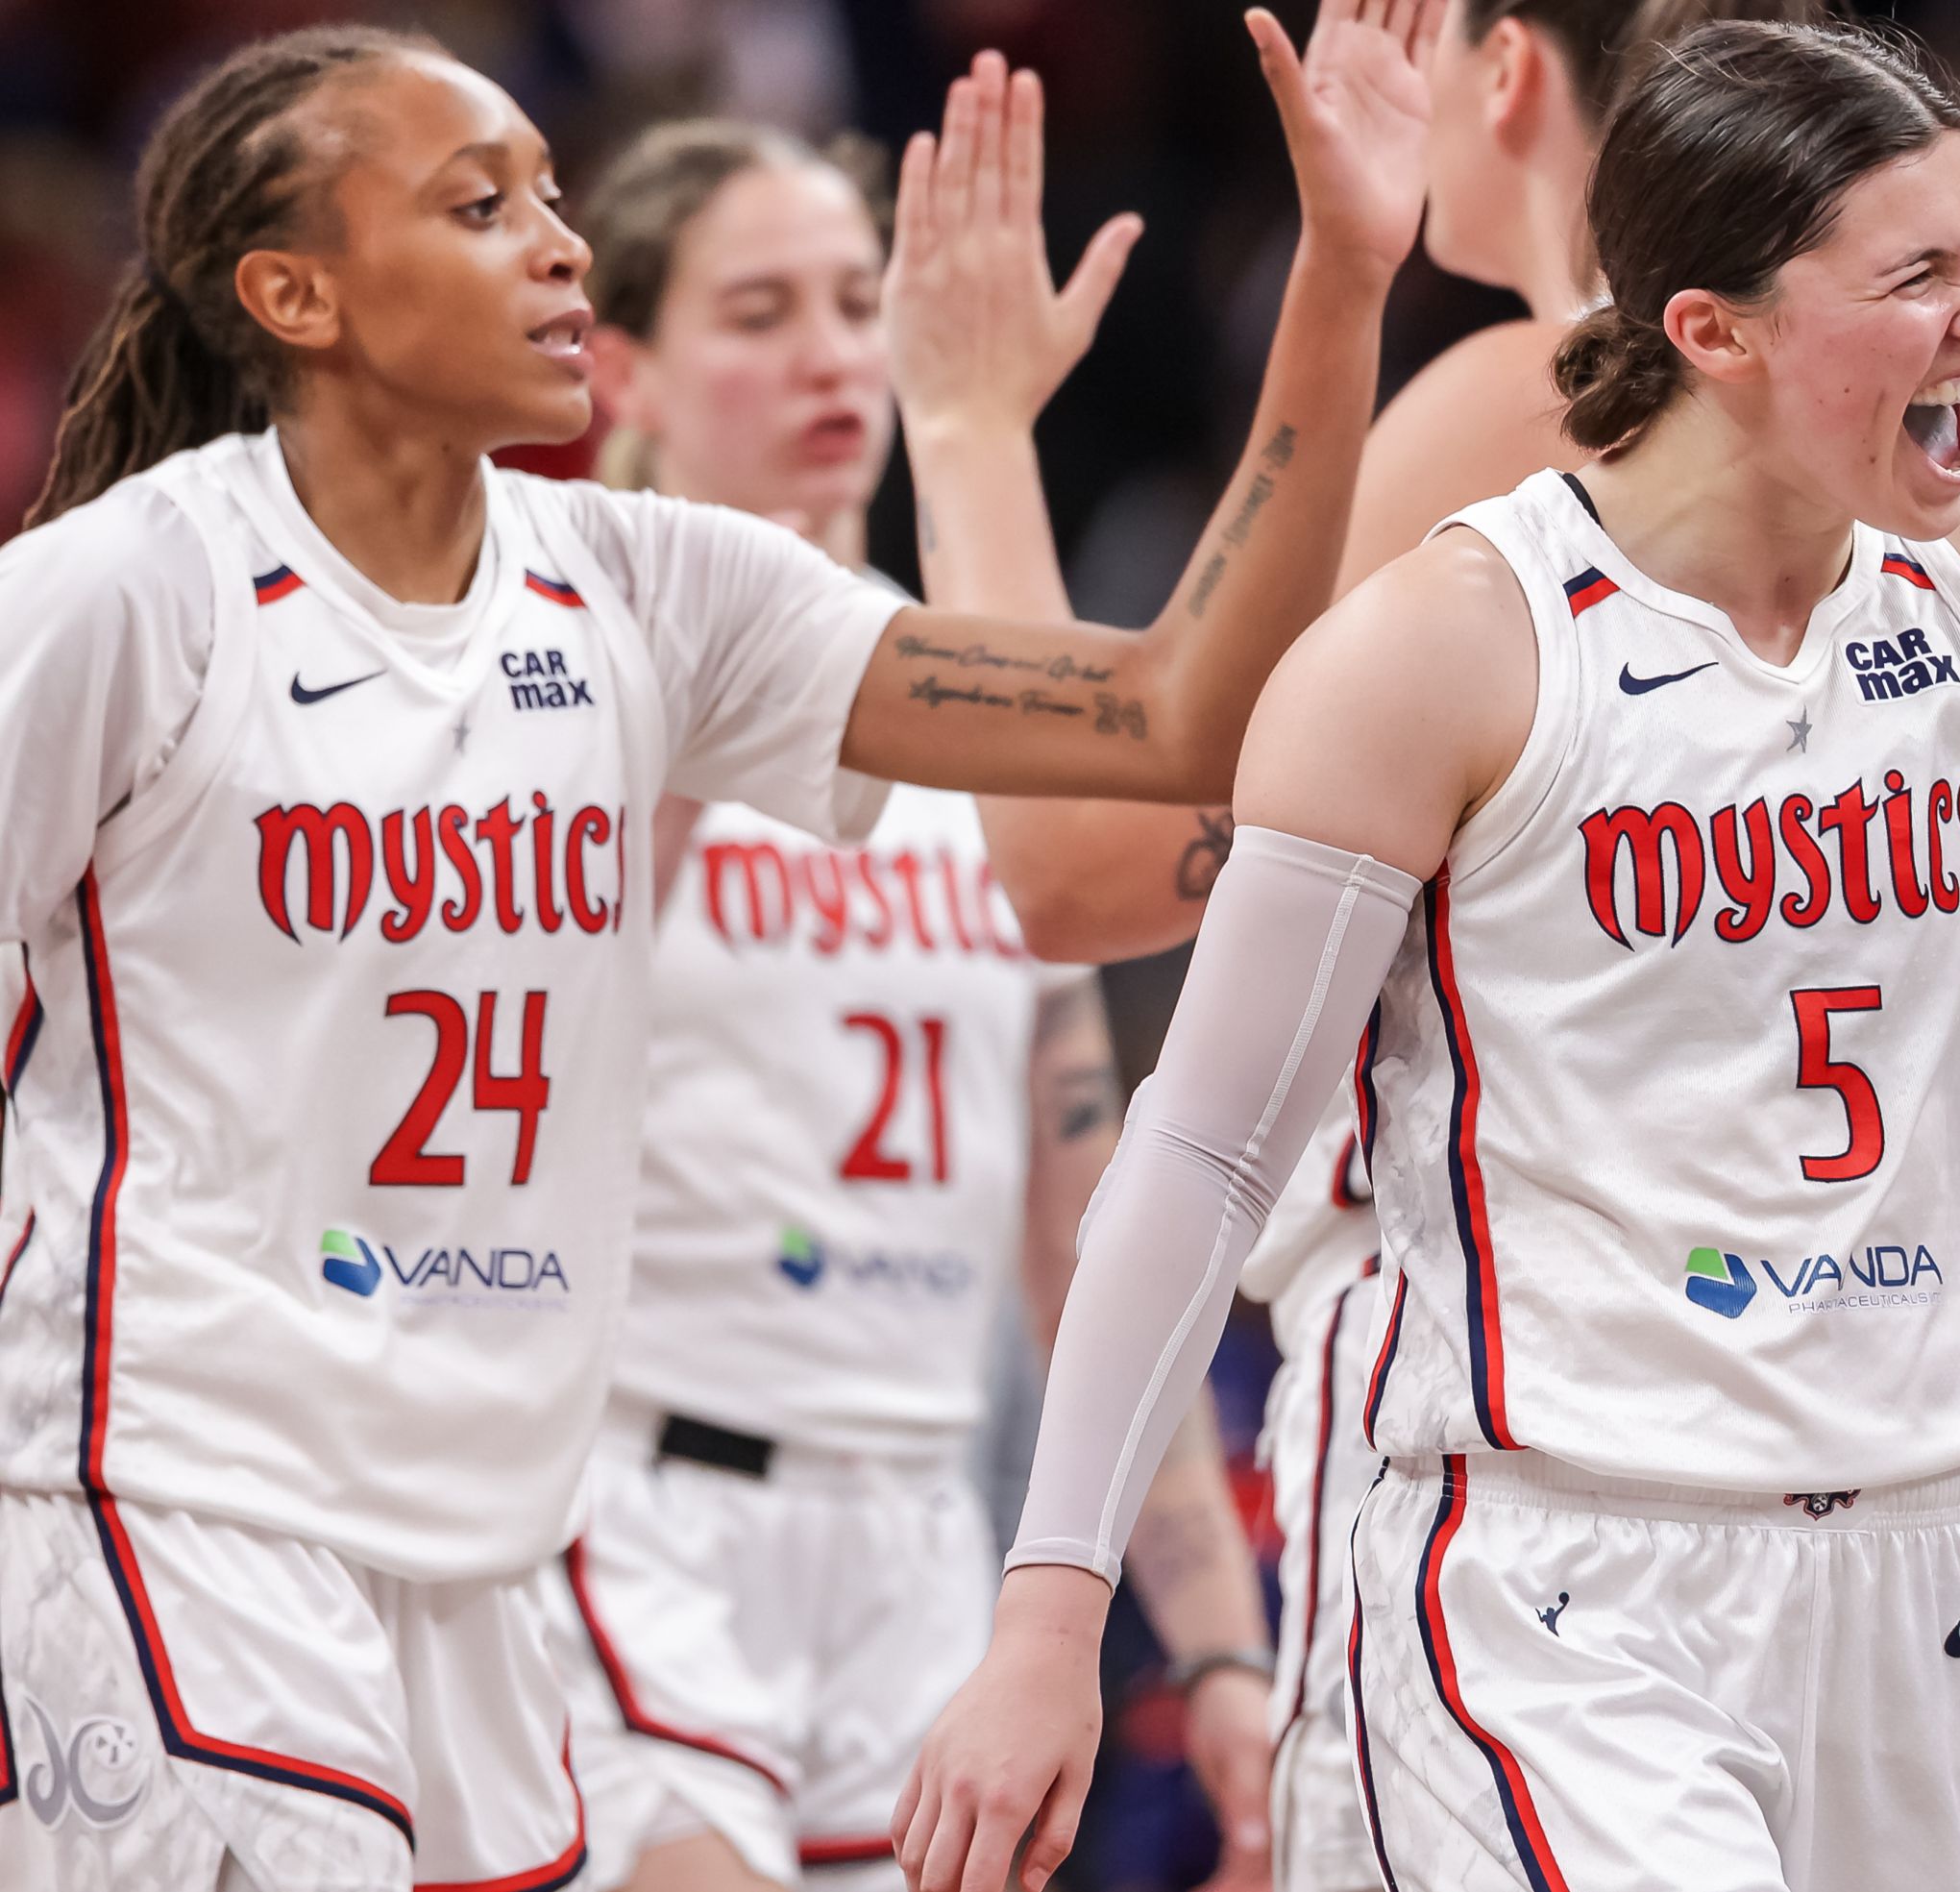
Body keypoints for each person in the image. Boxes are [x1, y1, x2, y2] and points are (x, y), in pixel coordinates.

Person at [899, 5, 1960, 1887]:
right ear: (1712, 332)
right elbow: (1206, 1148)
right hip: (1562, 1567)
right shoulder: (1449, 648)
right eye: (1920, 272)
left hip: (1928, 1567)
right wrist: (1050, 1613)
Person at [0, 9, 1425, 1887]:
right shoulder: (125, 590)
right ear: (297, 293)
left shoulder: (656, 594)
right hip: (186, 1488)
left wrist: (1337, 274)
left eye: (555, 197)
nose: (558, 242)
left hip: (498, 1535)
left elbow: (1165, 718)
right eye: (478, 204)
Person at [931, 5, 1819, 1884]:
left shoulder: (1533, 400)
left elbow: (1071, 861)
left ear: (1502, 77)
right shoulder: (1844, 423)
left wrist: (967, 426)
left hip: (1522, 1462)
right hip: (1833, 1447)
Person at [546, 120, 1276, 1892]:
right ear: (624, 359)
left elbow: (1085, 1226)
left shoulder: (976, 728)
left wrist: (1220, 1643)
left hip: (914, 1529)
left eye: (863, 303)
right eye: (759, 308)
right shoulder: (568, 661)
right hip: (622, 1500)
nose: (827, 352)